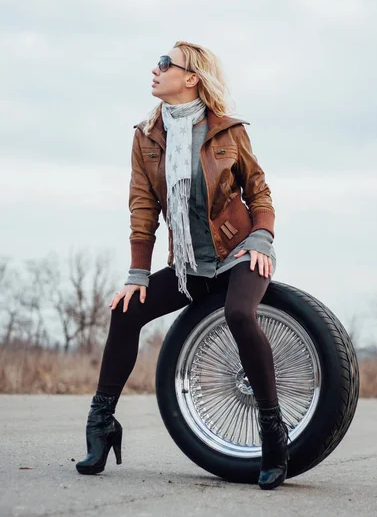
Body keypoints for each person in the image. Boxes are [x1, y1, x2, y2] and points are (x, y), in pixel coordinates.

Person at [76, 41, 289, 490]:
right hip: (189, 265)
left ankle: (273, 431)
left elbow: (259, 191)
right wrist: (137, 274)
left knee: (237, 313)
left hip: (239, 253)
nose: (155, 69)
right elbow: (142, 207)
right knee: (125, 311)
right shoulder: (146, 136)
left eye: (164, 63)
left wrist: (263, 239)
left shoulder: (228, 131)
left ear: (191, 77)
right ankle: (102, 425)